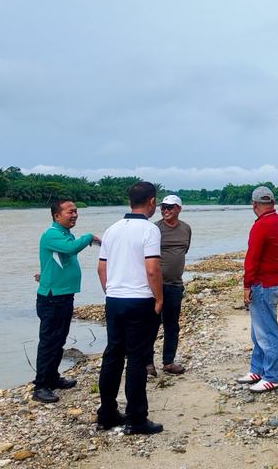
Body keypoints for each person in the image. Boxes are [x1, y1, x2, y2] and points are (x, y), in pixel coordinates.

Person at [95, 181, 164, 435]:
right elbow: (152, 268)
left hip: (114, 299)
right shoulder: (149, 230)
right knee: (136, 358)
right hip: (140, 299)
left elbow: (101, 268)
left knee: (112, 356)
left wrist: (111, 292)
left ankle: (107, 413)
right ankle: (136, 418)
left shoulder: (112, 229)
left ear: (129, 202)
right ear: (152, 202)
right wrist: (158, 298)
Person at [32, 199, 100, 403]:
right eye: (70, 212)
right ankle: (41, 386)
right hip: (52, 298)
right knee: (49, 342)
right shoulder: (52, 234)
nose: (75, 215)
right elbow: (71, 250)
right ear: (56, 216)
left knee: (59, 340)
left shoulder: (64, 234)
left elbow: (56, 262)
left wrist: (43, 274)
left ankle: (52, 377)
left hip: (63, 296)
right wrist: (89, 237)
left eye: (76, 211)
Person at [235, 186, 278, 393]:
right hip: (275, 280)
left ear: (254, 204)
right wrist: (277, 255)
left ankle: (273, 376)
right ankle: (257, 369)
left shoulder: (260, 225)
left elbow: (252, 259)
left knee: (267, 331)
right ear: (272, 203)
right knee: (258, 328)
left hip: (263, 284)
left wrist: (246, 285)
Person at [146, 194, 191, 377]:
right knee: (151, 324)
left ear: (178, 209)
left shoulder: (186, 229)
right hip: (155, 285)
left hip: (175, 285)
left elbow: (184, 250)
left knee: (172, 325)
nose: (165, 210)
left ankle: (168, 361)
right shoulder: (154, 228)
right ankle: (148, 363)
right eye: (163, 207)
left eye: (170, 207)